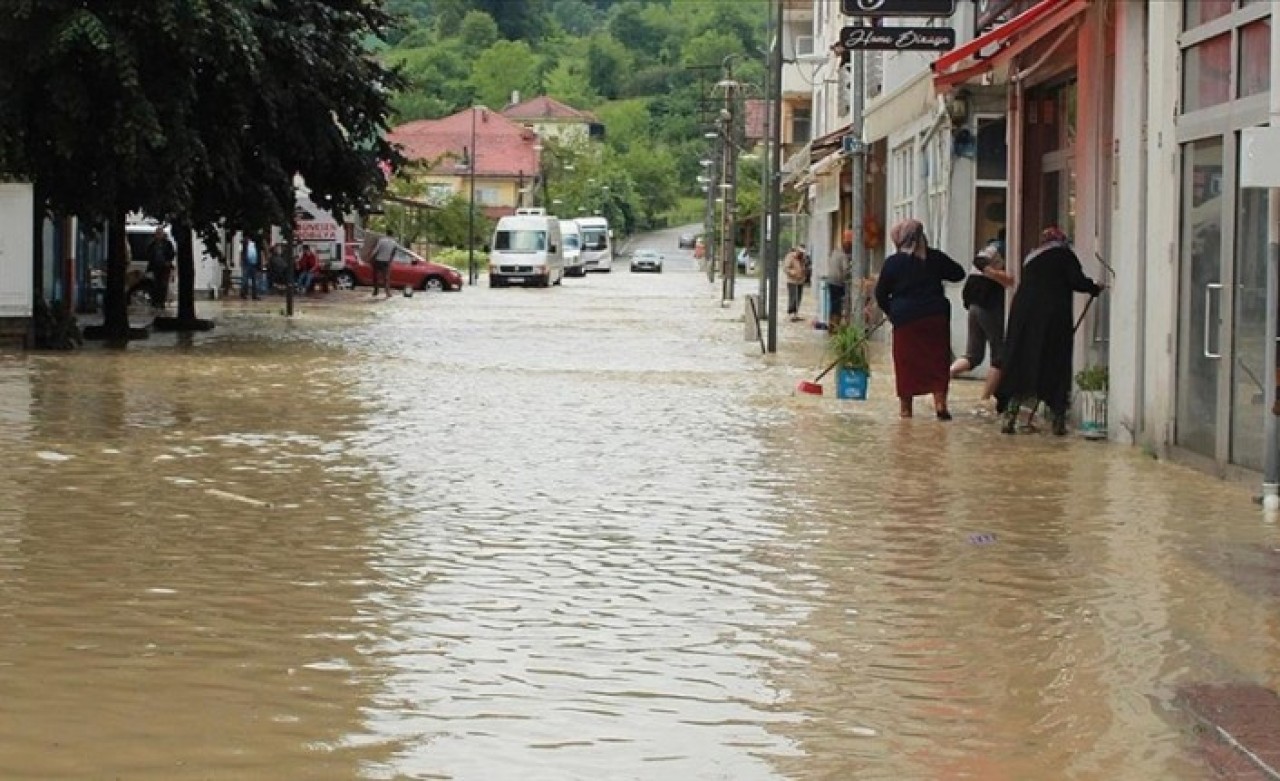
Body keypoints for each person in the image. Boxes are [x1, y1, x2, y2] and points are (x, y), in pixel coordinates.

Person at [996, 226, 1105, 436]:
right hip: (1053, 320)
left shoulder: (1032, 258)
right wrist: (1094, 287)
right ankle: (1058, 421)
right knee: (1055, 363)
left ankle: (1010, 416)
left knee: (1022, 364)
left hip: (1023, 318)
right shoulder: (1064, 255)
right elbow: (1076, 280)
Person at [873, 218, 965, 420]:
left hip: (906, 322)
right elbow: (959, 273)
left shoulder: (893, 263)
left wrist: (892, 312)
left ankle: (906, 410)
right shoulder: (935, 258)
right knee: (938, 361)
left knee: (906, 365)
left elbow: (880, 294)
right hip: (935, 319)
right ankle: (940, 404)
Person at [949, 238, 1014, 415]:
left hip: (973, 306)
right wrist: (1000, 276)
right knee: (999, 356)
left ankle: (945, 376)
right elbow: (980, 262)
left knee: (974, 355)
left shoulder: (990, 249)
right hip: (988, 306)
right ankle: (984, 401)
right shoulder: (999, 248)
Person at [144, 226, 176, 311]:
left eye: (160, 233)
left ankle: (161, 302)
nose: (158, 235)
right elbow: (148, 254)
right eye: (157, 233)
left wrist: (168, 261)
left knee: (163, 285)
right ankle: (155, 301)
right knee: (154, 285)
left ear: (163, 234)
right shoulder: (152, 244)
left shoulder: (167, 243)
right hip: (155, 267)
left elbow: (172, 253)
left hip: (165, 268)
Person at [825, 231, 852, 328]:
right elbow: (846, 270)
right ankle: (835, 326)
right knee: (837, 305)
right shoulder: (843, 255)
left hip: (830, 281)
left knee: (833, 304)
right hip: (838, 283)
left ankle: (832, 325)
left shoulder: (835, 252)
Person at [783, 246, 807, 322]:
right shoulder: (790, 256)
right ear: (797, 251)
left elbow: (803, 267)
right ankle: (790, 314)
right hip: (792, 281)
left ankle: (795, 314)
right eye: (800, 252)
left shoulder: (803, 258)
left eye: (802, 253)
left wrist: (804, 275)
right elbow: (786, 268)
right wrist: (792, 272)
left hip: (800, 281)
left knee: (798, 298)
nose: (801, 254)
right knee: (793, 297)